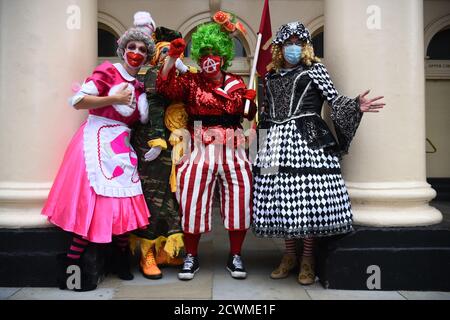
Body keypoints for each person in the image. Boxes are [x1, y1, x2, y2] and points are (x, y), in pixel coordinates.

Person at [252, 22, 385, 285]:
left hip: (308, 138)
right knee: (281, 199)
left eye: (298, 42)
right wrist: (258, 151)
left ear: (305, 47)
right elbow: (264, 113)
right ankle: (290, 255)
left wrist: (356, 105)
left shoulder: (316, 70)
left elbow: (335, 101)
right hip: (273, 140)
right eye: (288, 42)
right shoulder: (269, 77)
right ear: (279, 47)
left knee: (308, 199)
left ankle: (308, 259)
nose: (293, 47)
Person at [41, 11, 156, 291]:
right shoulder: (107, 71)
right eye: (131, 47)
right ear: (123, 49)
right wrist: (113, 97)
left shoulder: (140, 86)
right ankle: (71, 265)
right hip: (95, 143)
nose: (136, 53)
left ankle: (120, 259)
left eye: (142, 49)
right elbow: (78, 101)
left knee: (122, 205)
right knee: (92, 207)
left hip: (121, 147)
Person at [157, 11, 257, 281]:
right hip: (198, 143)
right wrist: (172, 58)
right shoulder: (190, 81)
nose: (208, 58)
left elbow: (248, 115)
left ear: (223, 56)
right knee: (191, 198)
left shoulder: (237, 82)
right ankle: (191, 255)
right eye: (203, 53)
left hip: (233, 145)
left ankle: (235, 254)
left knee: (241, 197)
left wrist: (249, 101)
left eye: (214, 52)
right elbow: (165, 88)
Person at [129, 26, 196, 280]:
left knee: (173, 199)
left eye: (174, 51)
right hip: (153, 144)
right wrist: (157, 140)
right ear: (157, 56)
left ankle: (165, 251)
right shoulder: (153, 75)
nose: (170, 55)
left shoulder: (185, 75)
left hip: (178, 143)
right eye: (165, 51)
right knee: (153, 197)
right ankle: (147, 252)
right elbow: (155, 104)